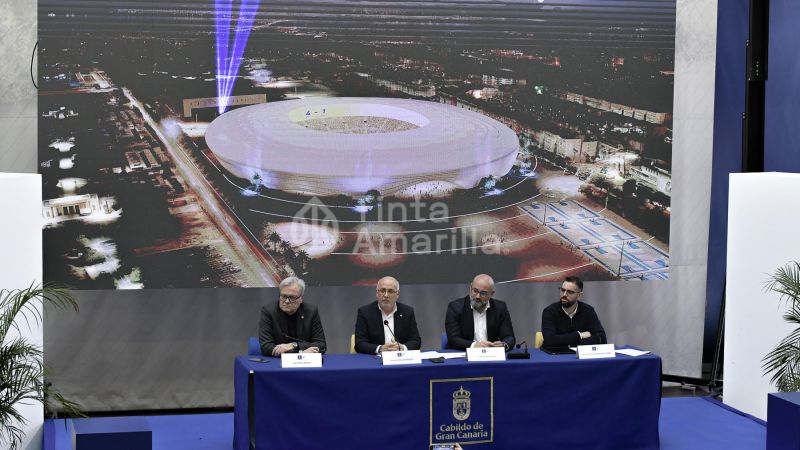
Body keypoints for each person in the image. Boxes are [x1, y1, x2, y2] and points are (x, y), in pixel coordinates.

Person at [445, 274, 515, 351]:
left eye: (483, 293)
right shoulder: (455, 307)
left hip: (491, 355)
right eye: (475, 291)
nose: (478, 296)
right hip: (463, 354)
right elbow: (453, 338)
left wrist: (503, 345)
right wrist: (474, 345)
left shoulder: (500, 308)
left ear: (491, 294)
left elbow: (509, 337)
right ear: (470, 287)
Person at [259, 276, 326, 356]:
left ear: (301, 299)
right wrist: (300, 353)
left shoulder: (311, 311)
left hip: (305, 365)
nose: (287, 301)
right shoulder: (269, 311)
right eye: (283, 296)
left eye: (292, 297)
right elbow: (266, 347)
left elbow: (321, 345)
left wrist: (293, 345)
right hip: (278, 364)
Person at [354, 276, 421, 354]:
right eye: (382, 291)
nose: (386, 295)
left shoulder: (407, 312)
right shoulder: (365, 312)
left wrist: (402, 347)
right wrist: (381, 348)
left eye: (390, 291)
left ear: (397, 294)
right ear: (377, 293)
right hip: (376, 361)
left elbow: (416, 341)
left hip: (400, 360)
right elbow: (359, 344)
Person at [541, 276, 607, 347]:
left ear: (579, 295)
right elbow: (550, 340)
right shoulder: (549, 311)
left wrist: (569, 342)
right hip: (556, 356)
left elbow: (602, 338)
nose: (564, 294)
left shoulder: (588, 310)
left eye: (570, 292)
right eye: (562, 290)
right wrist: (580, 335)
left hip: (581, 356)